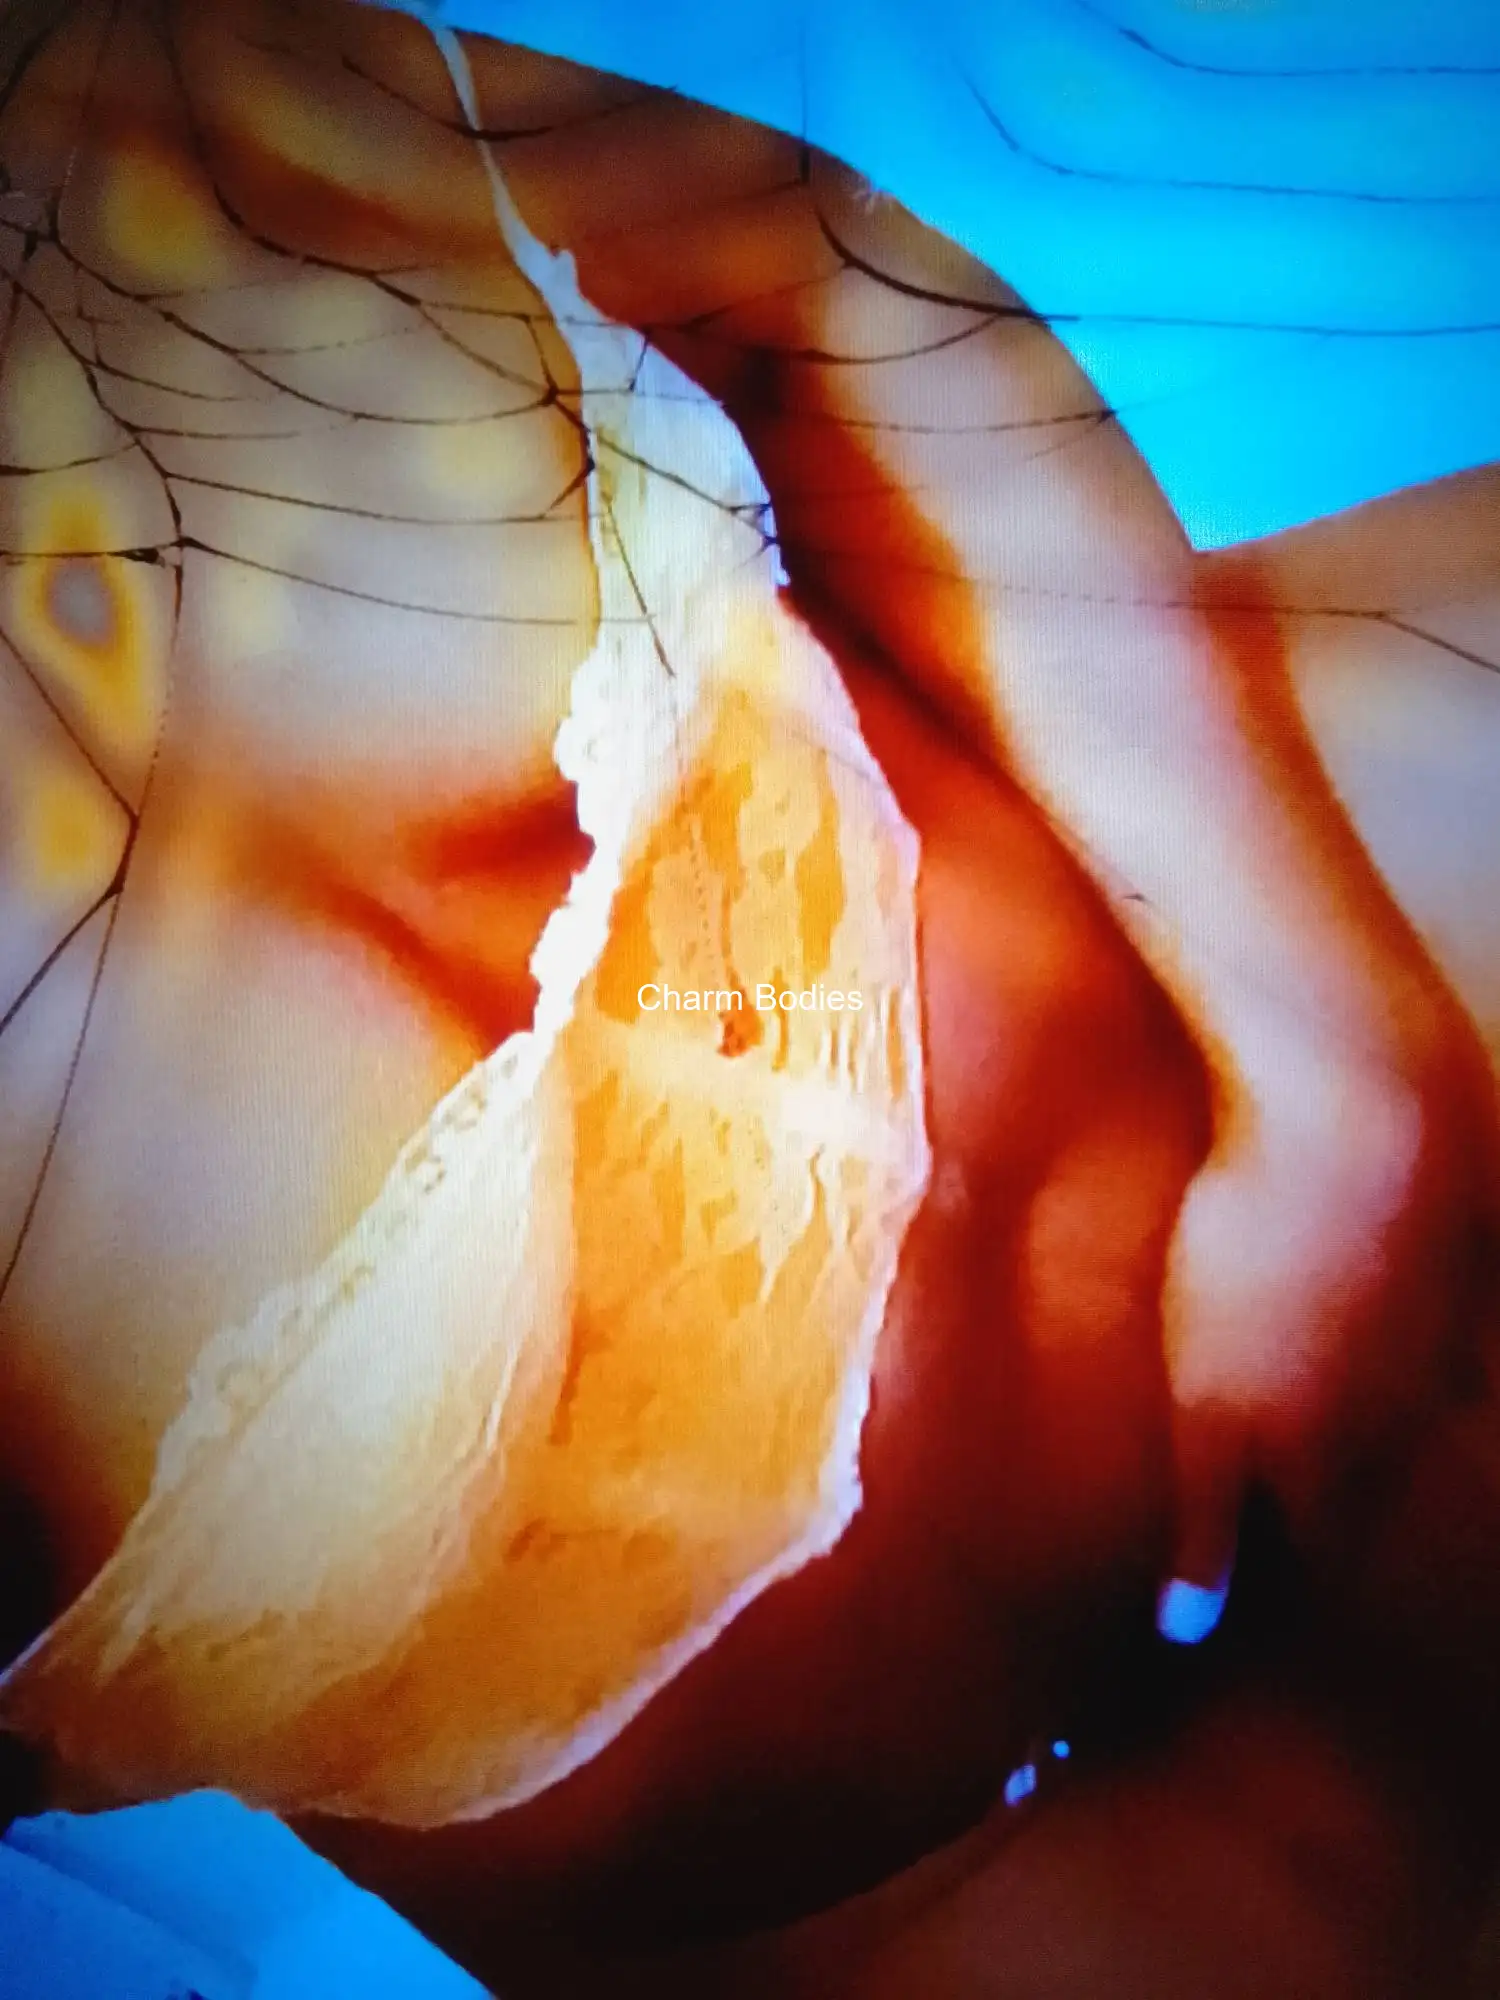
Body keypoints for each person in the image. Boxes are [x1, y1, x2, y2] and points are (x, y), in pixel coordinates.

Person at [1, 2, 1497, 1991]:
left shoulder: (109, 112)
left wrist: (1330, 1087)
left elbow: (793, 252)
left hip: (1289, 1028)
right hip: (909, 1875)